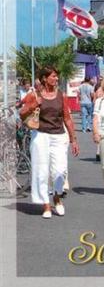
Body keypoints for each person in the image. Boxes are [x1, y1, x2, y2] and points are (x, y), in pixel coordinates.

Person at [19, 66, 79, 218]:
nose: (56, 79)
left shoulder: (62, 96)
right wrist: (34, 104)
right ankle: (46, 204)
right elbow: (22, 113)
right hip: (40, 136)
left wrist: (73, 140)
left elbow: (67, 118)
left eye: (57, 76)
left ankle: (57, 198)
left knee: (60, 170)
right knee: (41, 171)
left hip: (58, 136)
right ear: (45, 78)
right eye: (53, 76)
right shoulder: (34, 95)